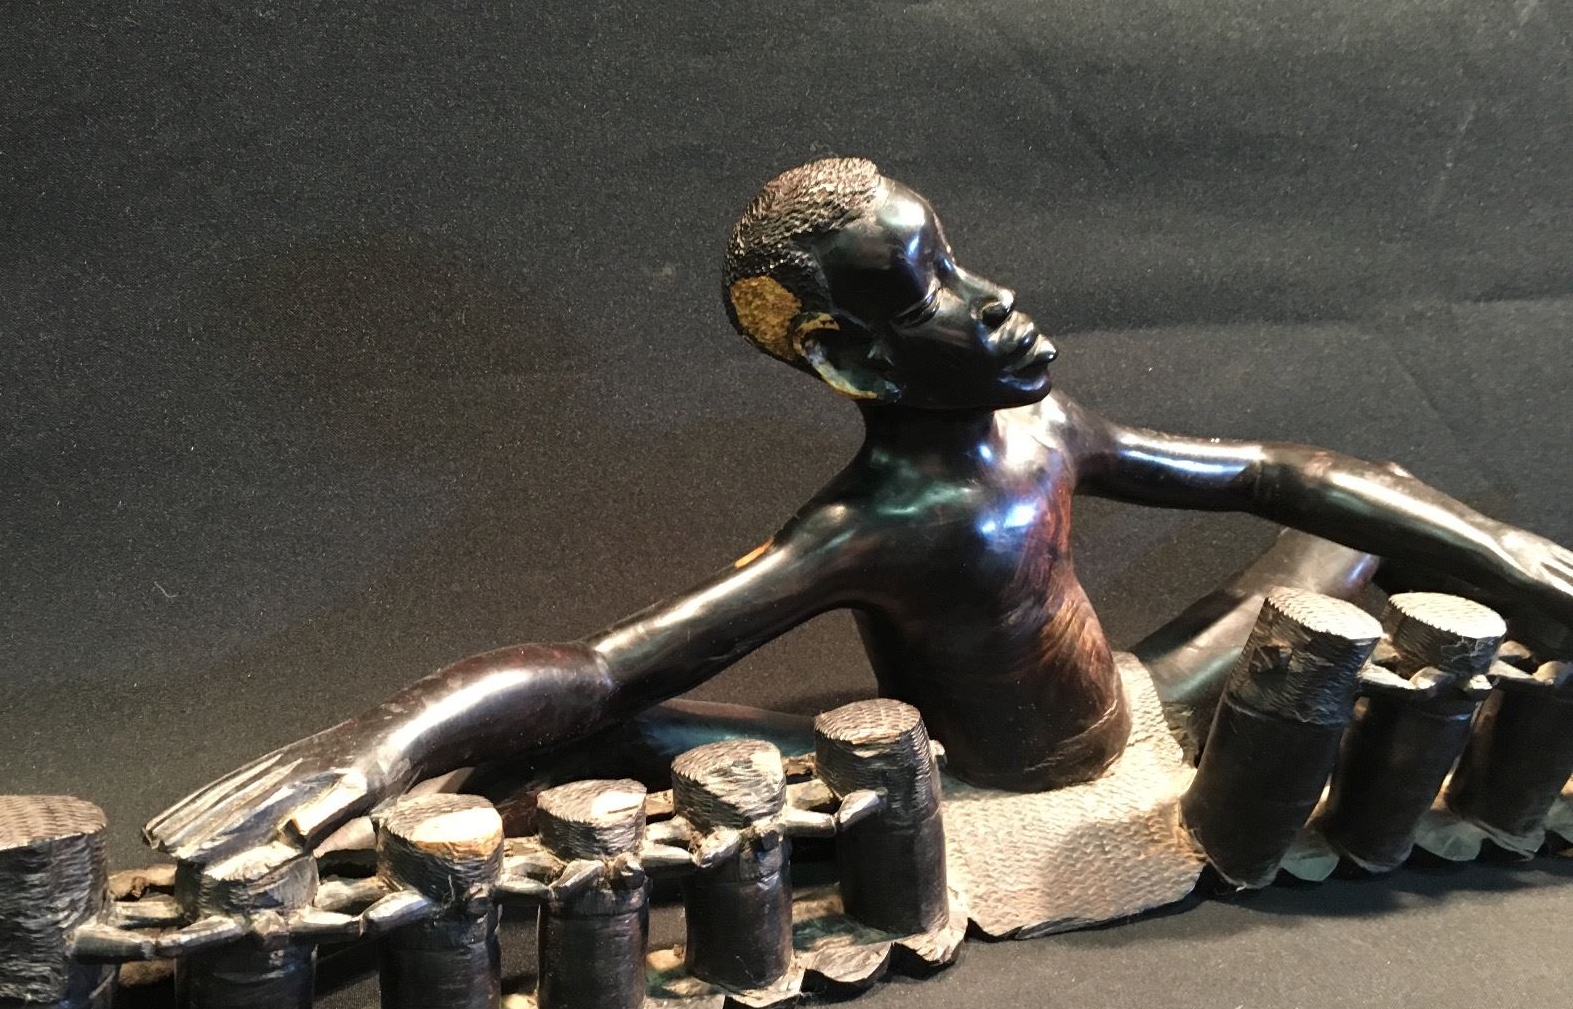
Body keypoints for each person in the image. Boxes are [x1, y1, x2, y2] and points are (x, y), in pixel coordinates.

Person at [146, 157, 1573, 865]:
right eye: (930, 287)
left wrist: (1507, 556)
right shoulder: (875, 522)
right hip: (978, 778)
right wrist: (389, 736)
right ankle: (338, 867)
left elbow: (1275, 472)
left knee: (1351, 512)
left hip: (1148, 705)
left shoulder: (1041, 424)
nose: (993, 298)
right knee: (603, 737)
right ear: (851, 359)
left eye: (959, 257)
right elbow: (604, 665)